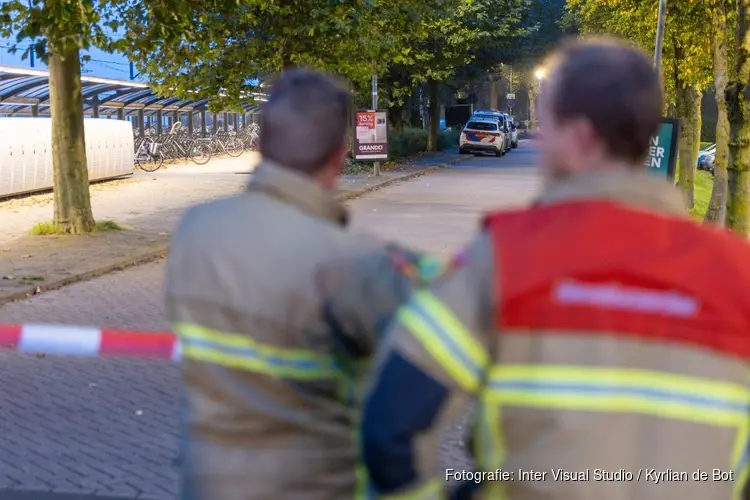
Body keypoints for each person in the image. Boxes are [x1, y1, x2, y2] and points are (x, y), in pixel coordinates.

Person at [352, 37, 750, 499]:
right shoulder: (737, 275)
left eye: (548, 125)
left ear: (578, 137)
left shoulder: (507, 258)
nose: (538, 142)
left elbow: (389, 428)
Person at [165, 68, 437, 500]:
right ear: (339, 156)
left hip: (208, 483)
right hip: (315, 486)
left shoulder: (194, 231)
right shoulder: (354, 262)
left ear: (259, 147)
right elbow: (433, 333)